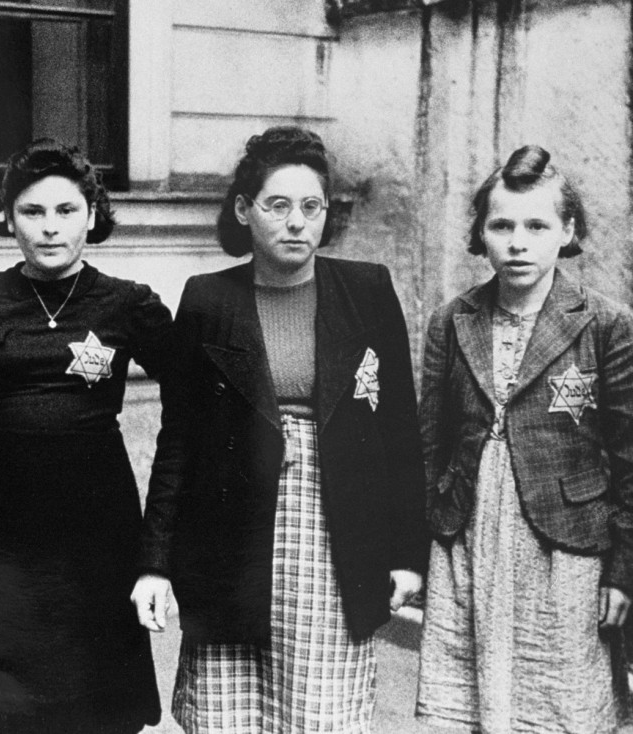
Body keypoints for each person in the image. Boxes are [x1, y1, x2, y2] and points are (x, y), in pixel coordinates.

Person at [133, 126, 428, 733]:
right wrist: (155, 563)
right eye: (277, 205)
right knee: (229, 713)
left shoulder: (366, 290)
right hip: (230, 541)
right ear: (245, 210)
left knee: (319, 712)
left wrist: (406, 555)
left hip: (336, 535)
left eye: (311, 207)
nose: (296, 223)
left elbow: (401, 433)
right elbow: (179, 440)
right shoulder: (209, 299)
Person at [0, 138, 171, 733]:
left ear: (92, 216)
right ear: (6, 217)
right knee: (3, 706)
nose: (49, 228)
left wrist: (163, 544)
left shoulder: (129, 304)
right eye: (32, 212)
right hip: (1, 526)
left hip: (99, 522)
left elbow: (198, 406)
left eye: (66, 211)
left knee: (95, 702)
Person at [416, 146, 633, 732]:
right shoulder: (452, 319)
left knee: (559, 699)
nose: (518, 242)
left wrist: (622, 571)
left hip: (565, 547)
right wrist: (424, 543)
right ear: (480, 235)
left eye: (537, 226)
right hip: (470, 532)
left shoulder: (605, 325)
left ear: (567, 232)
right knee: (468, 697)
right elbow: (430, 443)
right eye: (502, 225)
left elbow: (629, 460)